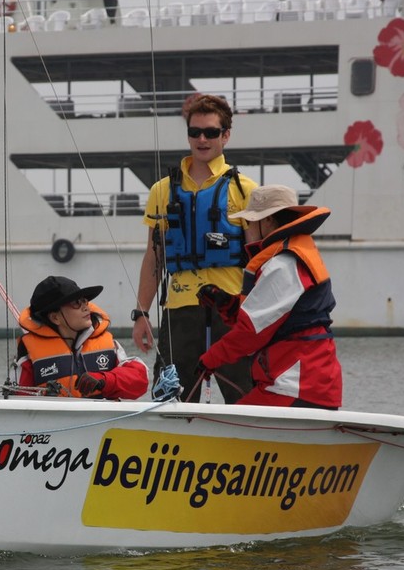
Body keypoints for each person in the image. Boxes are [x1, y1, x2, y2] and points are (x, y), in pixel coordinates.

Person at [131, 93, 258, 403]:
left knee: (245, 397)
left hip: (231, 312)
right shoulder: (162, 190)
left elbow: (259, 260)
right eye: (195, 132)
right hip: (179, 311)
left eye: (211, 132)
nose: (202, 139)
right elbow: (154, 257)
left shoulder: (245, 190)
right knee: (170, 400)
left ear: (226, 135)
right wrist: (142, 313)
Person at [196, 184, 342, 409]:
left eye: (250, 222)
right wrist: (227, 304)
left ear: (268, 222)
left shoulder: (283, 264)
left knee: (232, 430)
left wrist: (210, 359)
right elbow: (270, 318)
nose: (246, 228)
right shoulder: (290, 256)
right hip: (305, 382)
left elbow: (251, 332)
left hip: (296, 385)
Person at [16, 276, 149, 399]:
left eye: (85, 301)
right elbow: (18, 401)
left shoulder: (108, 344)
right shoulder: (28, 354)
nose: (86, 307)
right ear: (55, 317)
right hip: (58, 422)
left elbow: (141, 379)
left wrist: (104, 380)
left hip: (104, 422)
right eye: (76, 303)